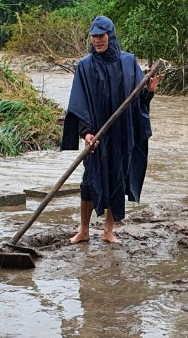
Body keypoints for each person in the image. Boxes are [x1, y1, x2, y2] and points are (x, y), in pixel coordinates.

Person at [62, 16, 158, 244]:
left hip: (122, 134)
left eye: (101, 36)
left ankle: (108, 231)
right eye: (94, 36)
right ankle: (84, 230)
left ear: (110, 36)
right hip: (97, 135)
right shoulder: (85, 66)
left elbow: (137, 102)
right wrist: (86, 132)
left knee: (118, 180)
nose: (97, 40)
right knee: (88, 182)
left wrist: (149, 92)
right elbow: (79, 102)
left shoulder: (128, 62)